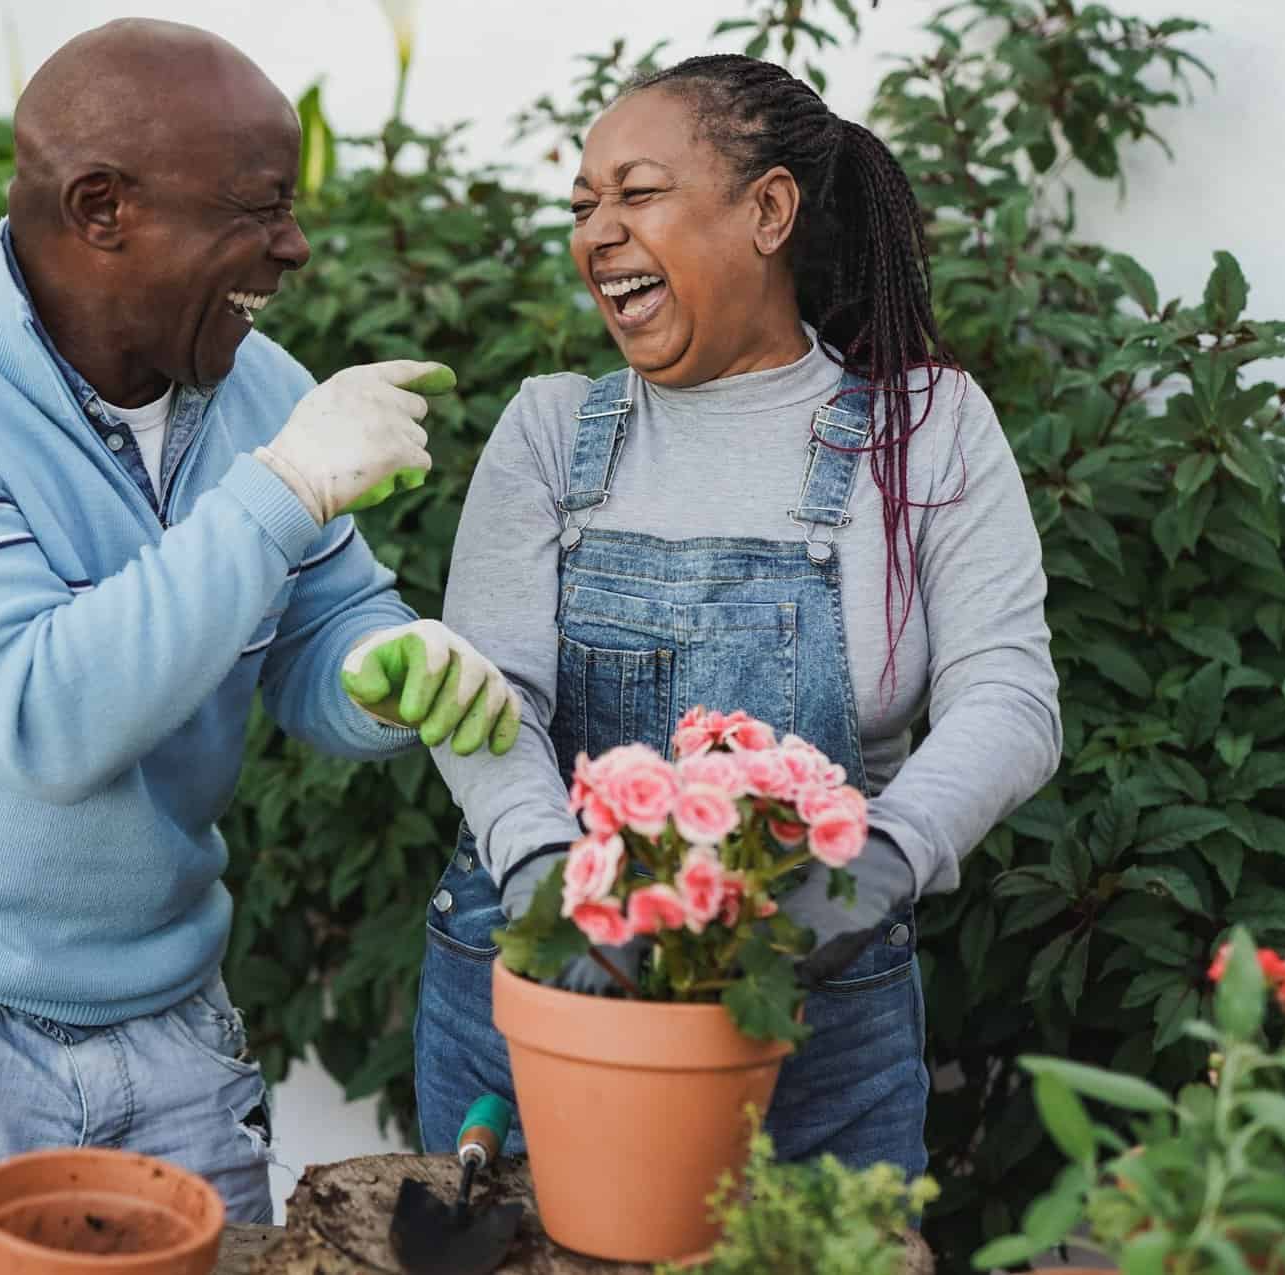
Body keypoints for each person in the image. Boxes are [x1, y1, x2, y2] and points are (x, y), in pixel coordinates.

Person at [0, 19, 516, 1220]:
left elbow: (320, 628)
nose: (294, 244)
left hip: (178, 1028)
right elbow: (40, 720)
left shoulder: (253, 385)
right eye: (256, 206)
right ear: (102, 207)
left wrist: (384, 664)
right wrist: (280, 492)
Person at [414, 54, 1062, 1177]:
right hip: (537, 994)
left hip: (817, 1016)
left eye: (637, 192)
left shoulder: (927, 430)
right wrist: (545, 891)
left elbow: (1009, 697)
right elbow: (491, 698)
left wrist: (871, 870)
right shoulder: (549, 431)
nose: (597, 232)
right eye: (582, 206)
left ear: (767, 210)